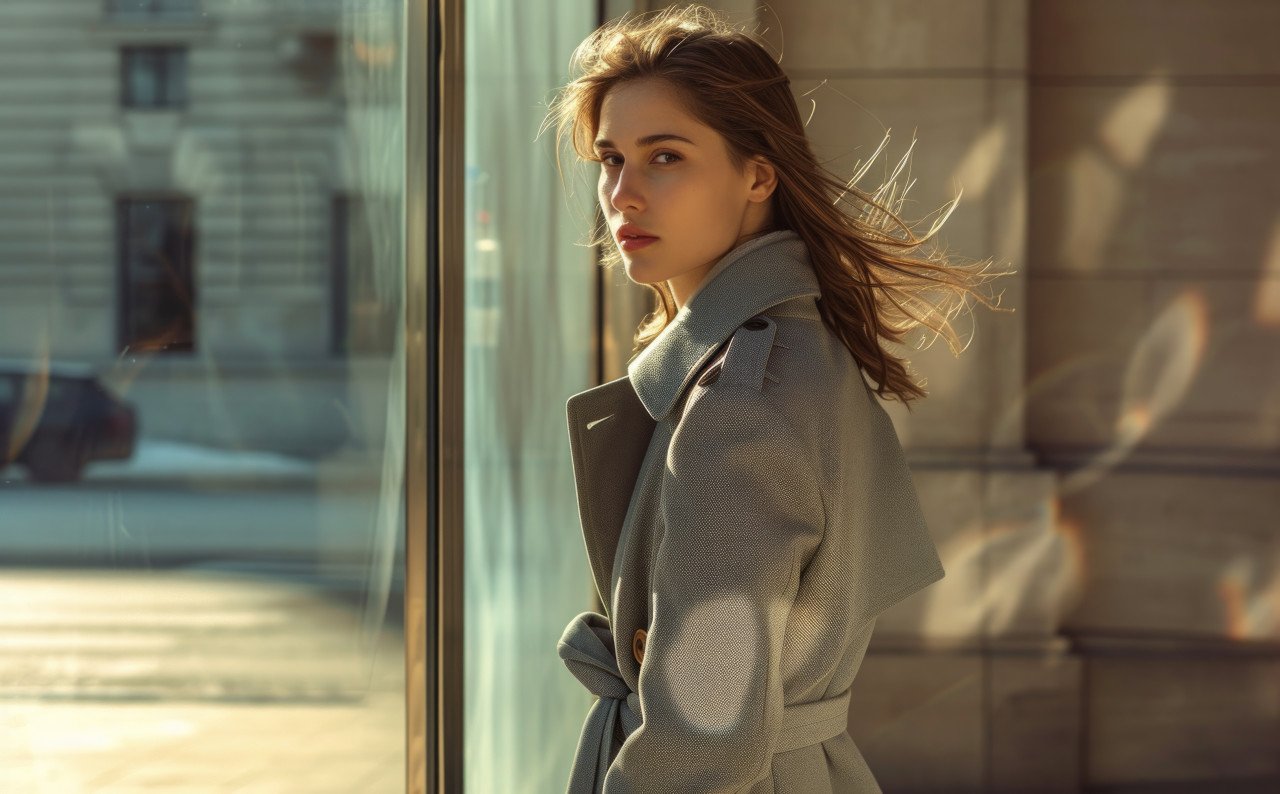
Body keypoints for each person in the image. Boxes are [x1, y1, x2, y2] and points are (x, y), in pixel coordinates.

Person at [546, 5, 1010, 792]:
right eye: (611, 159)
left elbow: (704, 739)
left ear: (759, 174)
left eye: (664, 157)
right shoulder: (791, 348)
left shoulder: (740, 397)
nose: (622, 194)